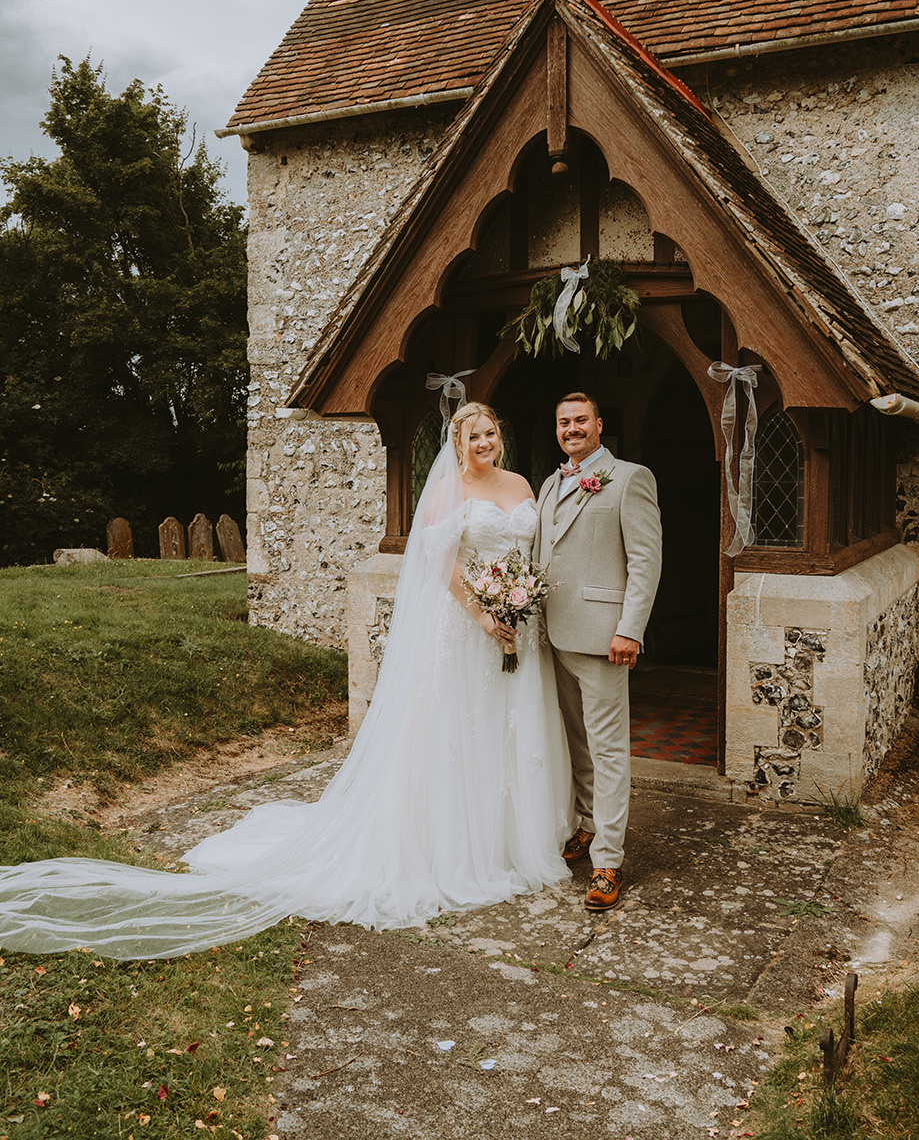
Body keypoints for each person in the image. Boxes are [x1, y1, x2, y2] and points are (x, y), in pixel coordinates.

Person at [0, 403, 571, 958]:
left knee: (508, 729)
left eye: (490, 434)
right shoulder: (449, 490)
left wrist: (518, 607)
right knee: (460, 731)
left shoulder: (522, 484)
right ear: (457, 445)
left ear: (501, 437)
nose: (484, 445)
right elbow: (439, 562)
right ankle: (459, 850)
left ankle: (508, 843)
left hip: (517, 627)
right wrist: (483, 613)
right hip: (468, 630)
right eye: (473, 437)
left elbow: (529, 551)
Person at [534, 391, 662, 912]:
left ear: (599, 424)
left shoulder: (630, 478)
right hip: (551, 634)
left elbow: (646, 560)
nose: (572, 429)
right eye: (563, 422)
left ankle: (608, 860)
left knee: (608, 749)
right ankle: (585, 828)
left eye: (580, 420)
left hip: (604, 639)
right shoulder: (549, 481)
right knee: (575, 744)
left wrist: (630, 629)